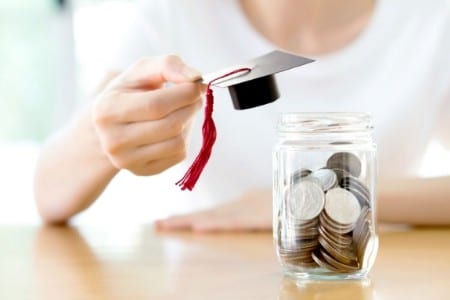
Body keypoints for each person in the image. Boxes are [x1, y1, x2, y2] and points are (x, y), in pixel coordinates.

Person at [34, 0, 450, 229]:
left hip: (364, 274)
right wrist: (104, 135)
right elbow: (48, 193)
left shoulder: (432, 21)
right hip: (210, 279)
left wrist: (301, 201)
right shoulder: (172, 15)